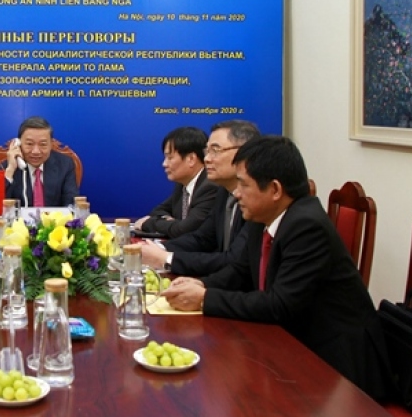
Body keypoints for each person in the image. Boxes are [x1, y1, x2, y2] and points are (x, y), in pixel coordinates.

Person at [162, 136, 392, 400]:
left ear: (274, 190)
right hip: (291, 341)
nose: (236, 193)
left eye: (243, 184)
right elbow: (239, 271)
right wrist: (201, 284)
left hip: (335, 363)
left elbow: (279, 304)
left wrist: (205, 298)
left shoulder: (307, 226)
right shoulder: (262, 215)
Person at [142, 120, 260, 275]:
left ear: (244, 152)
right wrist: (158, 249)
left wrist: (166, 258)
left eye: (215, 150)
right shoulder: (224, 192)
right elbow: (202, 238)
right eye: (207, 151)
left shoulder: (257, 200)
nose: (206, 159)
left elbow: (234, 261)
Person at [134, 127, 217, 238]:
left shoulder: (210, 186)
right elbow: (158, 211)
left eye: (170, 158)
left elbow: (185, 230)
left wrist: (148, 223)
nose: (164, 164)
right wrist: (171, 223)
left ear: (191, 159)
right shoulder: (183, 185)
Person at [4, 116, 79, 207]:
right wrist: (10, 170)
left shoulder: (65, 165)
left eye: (43, 144)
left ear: (51, 144)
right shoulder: (5, 167)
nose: (36, 151)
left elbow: (71, 203)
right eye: (29, 144)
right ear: (18, 144)